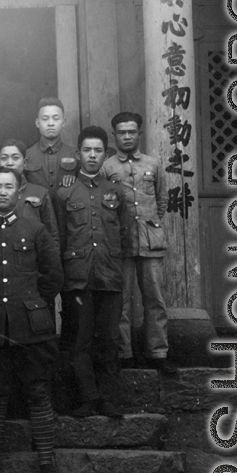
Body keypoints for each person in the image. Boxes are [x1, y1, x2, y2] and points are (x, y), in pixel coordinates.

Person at [0, 167, 65, 473]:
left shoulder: (36, 230)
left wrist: (32, 302)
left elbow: (53, 275)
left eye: (9, 187)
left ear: (20, 192)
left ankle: (47, 464)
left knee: (38, 391)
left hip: (32, 328)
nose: (3, 192)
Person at [54, 126, 125, 419]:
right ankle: (88, 398)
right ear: (78, 153)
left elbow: (126, 235)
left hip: (109, 274)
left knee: (108, 339)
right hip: (77, 276)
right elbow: (58, 236)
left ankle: (108, 399)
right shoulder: (63, 192)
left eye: (98, 150)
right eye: (87, 150)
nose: (92, 155)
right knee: (79, 340)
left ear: (105, 154)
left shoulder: (116, 192)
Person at [103, 112, 177, 375]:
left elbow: (162, 200)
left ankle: (158, 353)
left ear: (139, 134)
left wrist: (152, 224)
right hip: (120, 243)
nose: (126, 136)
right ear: (114, 134)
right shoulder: (107, 167)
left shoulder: (153, 164)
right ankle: (124, 354)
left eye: (131, 132)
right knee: (120, 301)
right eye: (121, 132)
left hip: (150, 240)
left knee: (155, 299)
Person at [0, 138, 60, 246]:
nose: (9, 163)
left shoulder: (40, 193)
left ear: (25, 163)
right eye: (4, 158)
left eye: (15, 158)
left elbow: (52, 235)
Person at [26, 97, 78, 193]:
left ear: (64, 122)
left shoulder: (75, 154)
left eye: (56, 118)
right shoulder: (27, 156)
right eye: (45, 119)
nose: (50, 123)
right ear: (37, 123)